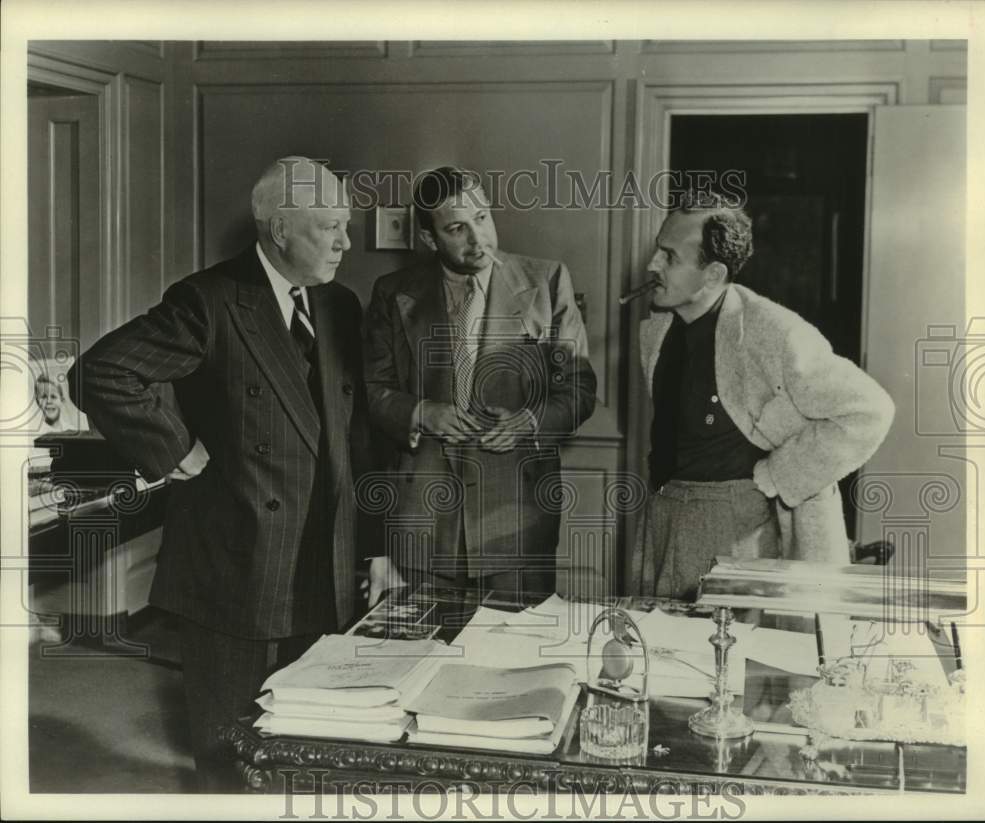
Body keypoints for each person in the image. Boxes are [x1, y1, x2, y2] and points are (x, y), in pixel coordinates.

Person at [69, 156, 384, 791]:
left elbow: (357, 440)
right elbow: (99, 371)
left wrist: (374, 548)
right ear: (279, 229)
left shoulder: (340, 305)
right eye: (330, 227)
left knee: (304, 743)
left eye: (346, 225)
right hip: (232, 562)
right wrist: (175, 449)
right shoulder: (208, 300)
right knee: (227, 753)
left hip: (323, 559)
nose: (346, 243)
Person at [631, 191, 894, 601]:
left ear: (713, 274)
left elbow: (870, 409)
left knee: (724, 641)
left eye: (669, 256)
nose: (652, 265)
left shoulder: (772, 331)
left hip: (735, 529)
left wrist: (780, 475)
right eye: (656, 250)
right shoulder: (657, 330)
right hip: (661, 513)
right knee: (654, 636)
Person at [363, 166, 596, 598]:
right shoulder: (392, 292)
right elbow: (371, 391)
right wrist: (421, 412)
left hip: (517, 523)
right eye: (457, 228)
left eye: (482, 218)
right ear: (430, 238)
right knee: (421, 640)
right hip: (423, 526)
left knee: (516, 641)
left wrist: (529, 421)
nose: (478, 239)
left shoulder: (548, 281)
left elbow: (579, 391)